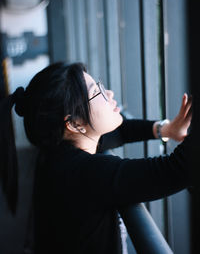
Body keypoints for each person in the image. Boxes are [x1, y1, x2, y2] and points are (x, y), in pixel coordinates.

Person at [0, 61, 197, 254]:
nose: (109, 94)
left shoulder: (60, 155)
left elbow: (120, 133)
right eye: (96, 92)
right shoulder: (86, 173)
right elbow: (179, 169)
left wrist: (165, 129)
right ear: (74, 124)